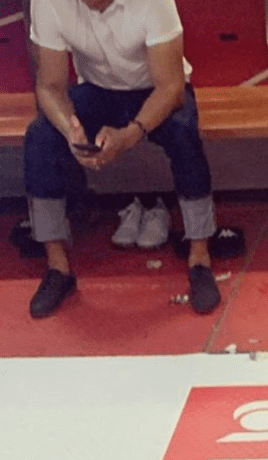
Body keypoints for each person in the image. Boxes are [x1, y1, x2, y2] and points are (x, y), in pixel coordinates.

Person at [24, 0, 220, 318]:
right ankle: (58, 267)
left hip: (155, 89)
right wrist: (71, 130)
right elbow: (49, 87)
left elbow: (171, 88)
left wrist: (129, 135)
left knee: (182, 131)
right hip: (97, 90)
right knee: (41, 135)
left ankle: (200, 257)